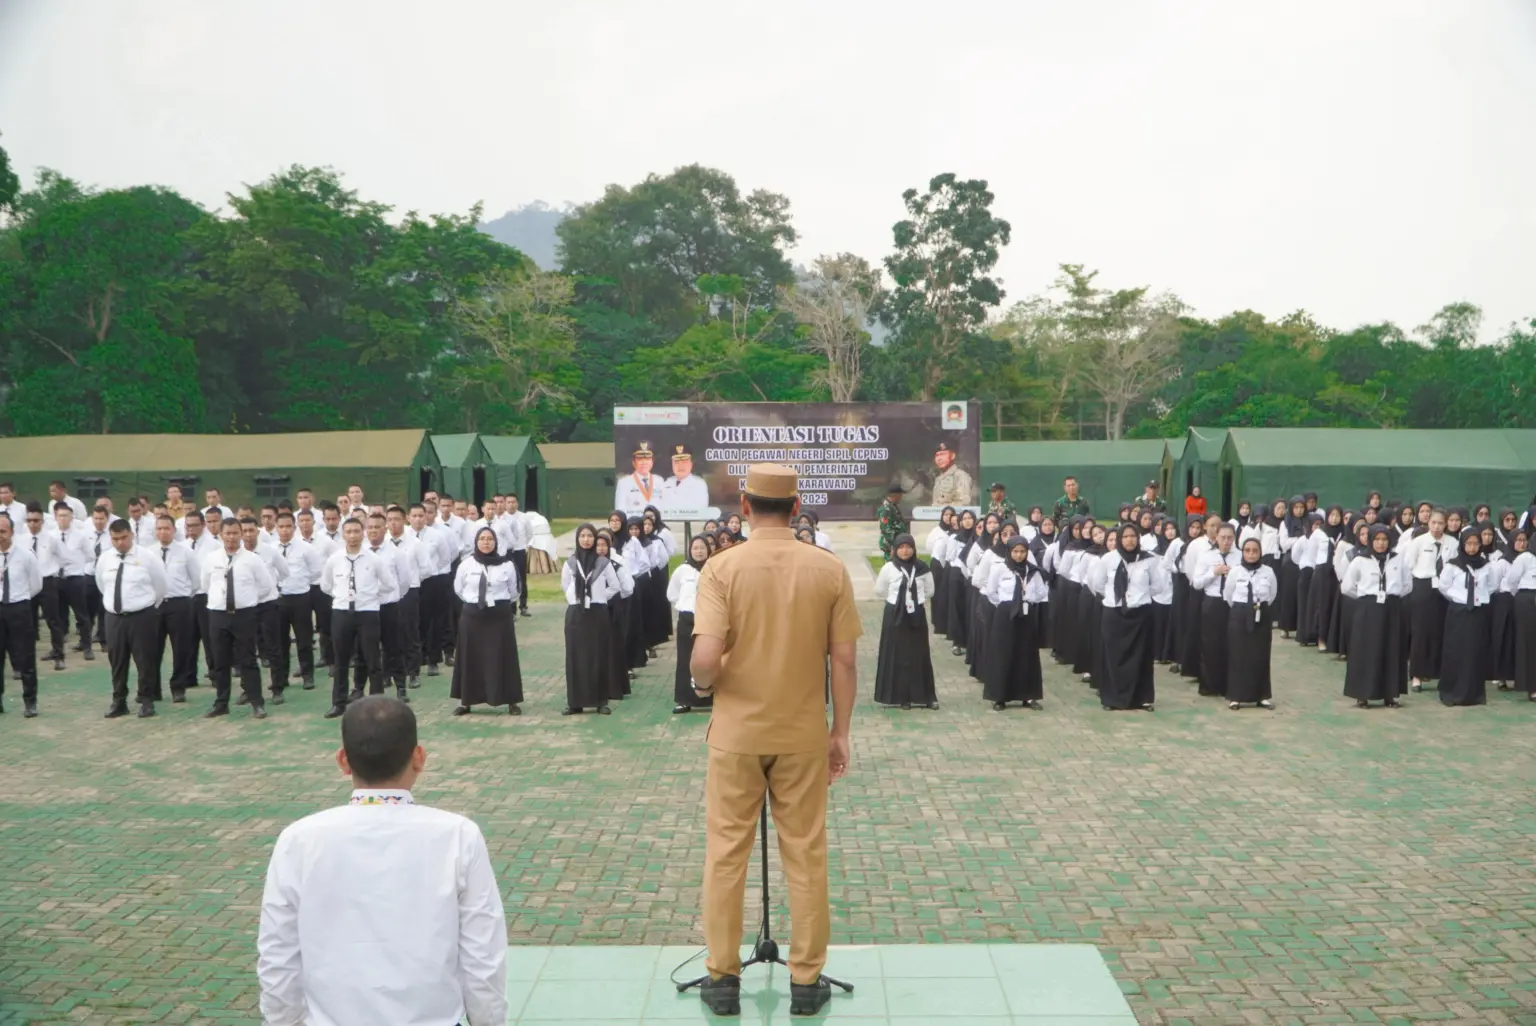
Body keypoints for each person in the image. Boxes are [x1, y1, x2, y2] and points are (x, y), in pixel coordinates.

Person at [690, 464, 861, 1018]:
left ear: (745, 506)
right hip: (803, 732)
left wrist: (703, 681)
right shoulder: (828, 568)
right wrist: (840, 732)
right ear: (796, 505)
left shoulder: (720, 567)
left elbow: (705, 660)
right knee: (806, 855)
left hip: (737, 735)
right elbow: (845, 659)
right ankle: (807, 983)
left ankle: (721, 978)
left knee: (725, 856)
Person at [256, 697, 507, 1026]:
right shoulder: (459, 836)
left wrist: (283, 1021)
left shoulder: (299, 839)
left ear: (343, 761)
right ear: (419, 758)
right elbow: (483, 955)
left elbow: (278, 953)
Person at [201, 519, 276, 718]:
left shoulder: (252, 559)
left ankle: (256, 702)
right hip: (218, 614)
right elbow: (204, 583)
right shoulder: (211, 559)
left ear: (241, 534)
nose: (232, 537)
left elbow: (266, 586)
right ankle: (221, 702)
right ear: (221, 535)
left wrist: (248, 600)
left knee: (248, 660)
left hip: (244, 615)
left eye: (236, 533)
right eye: (228, 533)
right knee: (220, 661)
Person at [319, 519, 392, 719]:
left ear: (363, 534)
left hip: (367, 612)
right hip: (342, 612)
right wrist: (341, 596)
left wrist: (370, 595)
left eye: (357, 531)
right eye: (349, 532)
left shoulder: (373, 559)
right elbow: (326, 585)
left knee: (372, 659)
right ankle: (338, 703)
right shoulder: (335, 559)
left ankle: (378, 704)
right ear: (344, 535)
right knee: (341, 660)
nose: (353, 536)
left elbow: (389, 584)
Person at [97, 518, 169, 719]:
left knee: (145, 660)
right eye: (115, 539)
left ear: (132, 535)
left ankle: (146, 701)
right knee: (117, 661)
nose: (120, 542)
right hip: (114, 617)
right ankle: (119, 701)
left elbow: (160, 586)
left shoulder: (148, 557)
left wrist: (147, 606)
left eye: (124, 538)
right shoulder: (105, 559)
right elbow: (101, 584)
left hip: (142, 616)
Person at [451, 527, 524, 716]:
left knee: (503, 657)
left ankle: (511, 700)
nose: (486, 542)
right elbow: (458, 589)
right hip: (472, 616)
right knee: (470, 658)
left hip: (499, 617)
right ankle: (466, 701)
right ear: (476, 542)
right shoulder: (466, 564)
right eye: (482, 539)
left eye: (490, 539)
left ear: (496, 542)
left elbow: (515, 591)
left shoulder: (507, 565)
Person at [1092, 523, 1165, 711]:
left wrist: (1139, 596)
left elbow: (1157, 586)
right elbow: (1098, 585)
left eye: (1133, 536)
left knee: (1141, 657)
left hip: (1140, 615)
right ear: (1118, 539)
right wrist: (1115, 596)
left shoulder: (1149, 560)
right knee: (1114, 657)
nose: (1129, 540)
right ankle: (1113, 699)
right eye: (1125, 537)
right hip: (1114, 614)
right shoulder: (1108, 559)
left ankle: (1142, 699)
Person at [1341, 525, 1411, 708]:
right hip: (1368, 610)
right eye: (1377, 539)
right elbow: (1347, 587)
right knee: (1365, 650)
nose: (1381, 543)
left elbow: (1407, 584)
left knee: (1392, 650)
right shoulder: (1359, 560)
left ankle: (1390, 695)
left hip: (1392, 609)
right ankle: (1362, 694)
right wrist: (1367, 599)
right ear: (1370, 541)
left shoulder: (1398, 559)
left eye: (1384, 539)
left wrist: (1391, 597)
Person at [872, 534, 937, 710]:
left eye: (908, 547)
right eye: (901, 547)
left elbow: (931, 590)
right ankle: (902, 697)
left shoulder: (922, 568)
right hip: (894, 614)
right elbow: (879, 590)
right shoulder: (889, 568)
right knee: (898, 655)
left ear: (914, 549)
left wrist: (915, 599)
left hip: (916, 614)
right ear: (895, 550)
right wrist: (896, 600)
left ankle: (926, 697)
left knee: (919, 653)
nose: (905, 551)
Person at [561, 524, 621, 715]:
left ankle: (600, 701)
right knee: (575, 657)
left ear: (595, 539)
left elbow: (615, 586)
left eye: (590, 536)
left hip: (597, 614)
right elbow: (565, 585)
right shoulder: (570, 563)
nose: (586, 539)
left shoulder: (603, 563)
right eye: (583, 536)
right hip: (576, 614)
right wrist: (575, 599)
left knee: (598, 656)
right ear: (578, 539)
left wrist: (600, 598)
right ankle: (575, 702)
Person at [1435, 527, 1497, 707]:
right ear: (1462, 544)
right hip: (1459, 611)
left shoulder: (1486, 565)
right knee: (1456, 650)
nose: (1472, 547)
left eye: (1476, 544)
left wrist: (1479, 597)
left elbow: (1492, 585)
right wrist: (1458, 598)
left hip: (1478, 612)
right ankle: (1452, 692)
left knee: (1475, 651)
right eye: (1468, 543)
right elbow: (1443, 586)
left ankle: (1474, 694)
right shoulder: (1453, 564)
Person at [985, 535, 1048, 711]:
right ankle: (1000, 697)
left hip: (1027, 616)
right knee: (1003, 653)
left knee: (1027, 654)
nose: (1019, 555)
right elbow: (991, 592)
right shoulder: (1000, 569)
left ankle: (1028, 696)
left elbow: (1042, 592)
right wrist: (1007, 605)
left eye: (1022, 552)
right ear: (1009, 551)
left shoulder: (1032, 571)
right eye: (1015, 551)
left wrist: (1029, 598)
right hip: (1006, 615)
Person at [152, 514, 201, 704]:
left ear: (174, 530)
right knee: (151, 649)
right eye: (159, 528)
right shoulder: (148, 552)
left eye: (166, 528)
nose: (163, 532)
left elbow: (196, 581)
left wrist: (184, 597)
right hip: (155, 605)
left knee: (181, 648)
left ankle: (178, 687)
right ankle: (152, 688)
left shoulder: (186, 552)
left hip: (179, 604)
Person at [1224, 538, 1278, 710]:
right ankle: (1235, 696)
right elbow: (1228, 595)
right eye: (1247, 550)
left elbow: (1272, 593)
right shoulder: (1235, 572)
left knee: (1260, 655)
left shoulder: (1268, 572)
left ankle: (1261, 695)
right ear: (1243, 552)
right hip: (1239, 614)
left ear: (1260, 552)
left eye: (1255, 550)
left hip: (1261, 614)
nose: (1251, 554)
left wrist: (1258, 607)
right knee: (1238, 655)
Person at [0, 513, 43, 716]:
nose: (0, 535)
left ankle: (30, 701)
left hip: (19, 608)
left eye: (3, 531)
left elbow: (36, 584)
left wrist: (21, 598)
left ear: (12, 532)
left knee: (25, 656)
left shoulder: (25, 555)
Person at [1404, 508, 1451, 691]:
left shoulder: (1452, 543)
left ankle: (1438, 673)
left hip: (1444, 590)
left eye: (1441, 523)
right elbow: (1408, 565)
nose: (1437, 527)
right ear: (1428, 523)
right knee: (1420, 632)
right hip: (1422, 588)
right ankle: (1416, 675)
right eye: (1434, 523)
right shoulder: (1418, 542)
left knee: (1440, 633)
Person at [1191, 524, 1240, 699]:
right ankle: (1209, 685)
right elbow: (1197, 583)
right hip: (1212, 602)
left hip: (1233, 603)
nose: (1226, 541)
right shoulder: (1207, 556)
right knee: (1210, 644)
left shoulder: (1240, 556)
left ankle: (1229, 685)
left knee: (1231, 644)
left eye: (1230, 538)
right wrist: (1214, 572)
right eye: (1223, 537)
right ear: (1216, 537)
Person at [668, 535, 712, 714]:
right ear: (690, 550)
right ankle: (685, 700)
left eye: (702, 548)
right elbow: (672, 593)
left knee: (708, 659)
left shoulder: (713, 568)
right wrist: (686, 605)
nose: (699, 551)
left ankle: (711, 699)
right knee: (685, 659)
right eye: (695, 548)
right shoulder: (682, 570)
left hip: (709, 619)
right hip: (687, 619)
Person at [615, 440, 662, 515]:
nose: (644, 462)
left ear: (652, 462)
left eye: (647, 459)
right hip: (634, 524)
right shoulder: (624, 483)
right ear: (634, 462)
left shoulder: (659, 481)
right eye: (640, 459)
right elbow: (621, 510)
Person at [662, 443, 711, 512]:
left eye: (684, 462)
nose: (680, 466)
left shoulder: (699, 484)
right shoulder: (666, 483)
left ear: (691, 463)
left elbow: (700, 510)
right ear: (672, 464)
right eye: (676, 462)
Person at [930, 442, 975, 507]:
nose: (939, 459)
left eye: (943, 454)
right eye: (937, 455)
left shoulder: (960, 476)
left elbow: (963, 504)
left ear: (953, 455)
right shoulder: (938, 479)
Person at [876, 485, 908, 561]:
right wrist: (893, 547)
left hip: (897, 542)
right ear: (895, 495)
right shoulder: (886, 509)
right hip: (891, 545)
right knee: (891, 567)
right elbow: (887, 530)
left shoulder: (893, 506)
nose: (901, 497)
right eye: (900, 495)